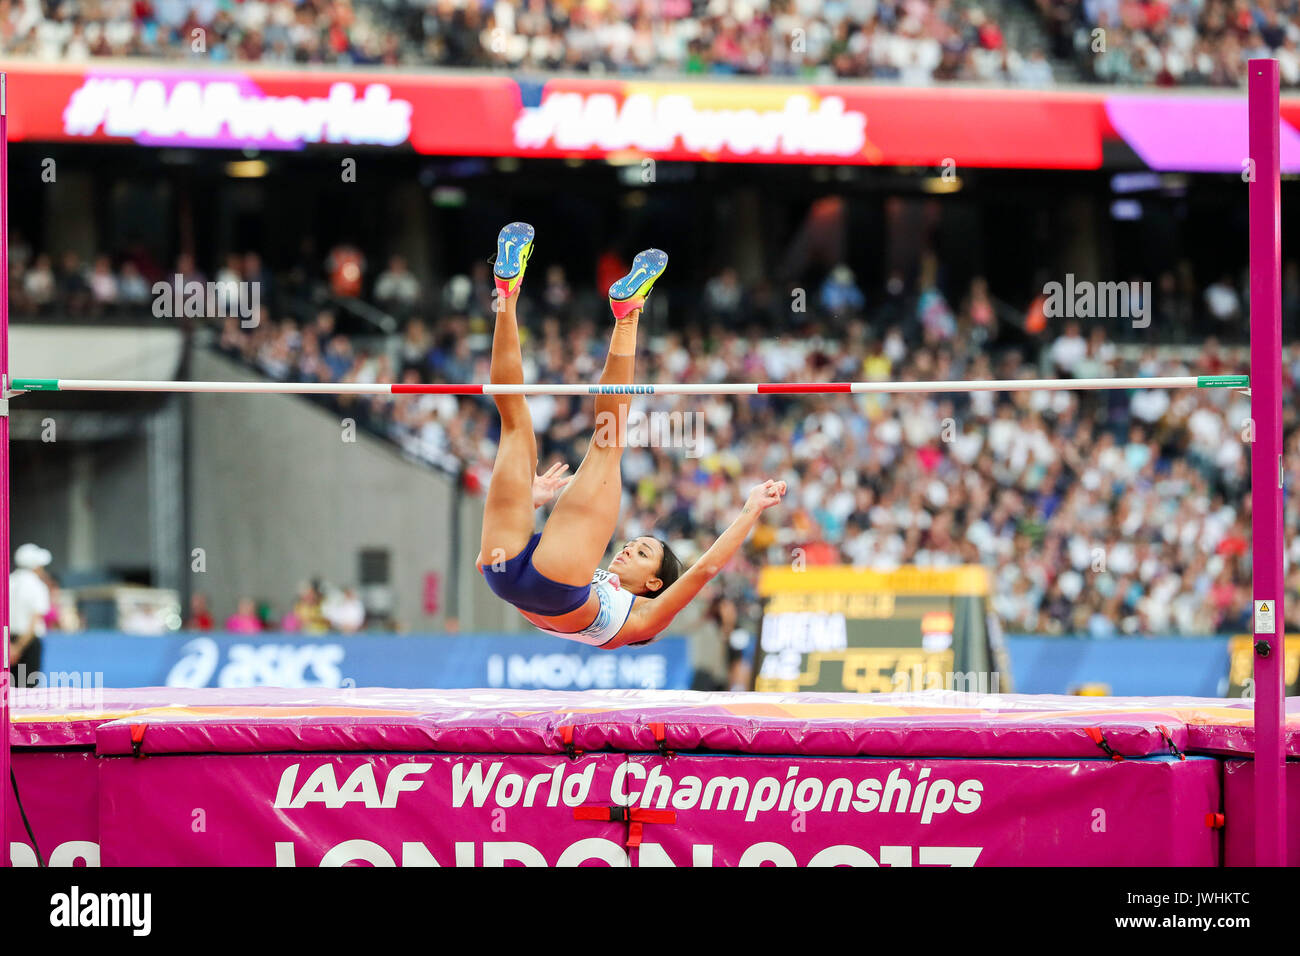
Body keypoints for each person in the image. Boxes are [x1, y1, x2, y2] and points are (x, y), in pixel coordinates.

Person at [475, 222, 786, 649]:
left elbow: (705, 570)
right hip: (508, 573)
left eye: (640, 555)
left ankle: (628, 315)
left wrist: (752, 510)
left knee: (607, 442)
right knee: (512, 414)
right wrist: (523, 506)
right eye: (636, 545)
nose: (626, 551)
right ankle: (506, 293)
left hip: (546, 581)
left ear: (655, 583)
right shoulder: (604, 582)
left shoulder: (643, 620)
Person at [9, 543, 53, 687]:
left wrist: (9, 646)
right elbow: (34, 622)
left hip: (7, 641)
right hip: (28, 643)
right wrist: (18, 648)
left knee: (7, 690)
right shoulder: (37, 586)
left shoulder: (8, 581)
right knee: (27, 691)